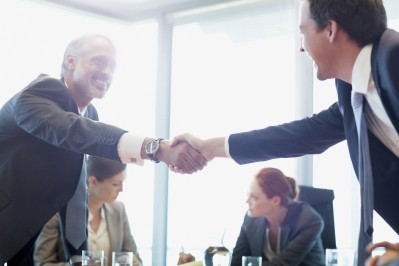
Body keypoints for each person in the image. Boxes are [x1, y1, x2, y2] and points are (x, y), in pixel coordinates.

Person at [171, 0, 399, 265]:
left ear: (330, 29)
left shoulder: (394, 59)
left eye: (303, 31)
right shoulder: (353, 90)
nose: (301, 46)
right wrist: (209, 148)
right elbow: (300, 135)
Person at [0, 34, 207, 265]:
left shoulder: (89, 114)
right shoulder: (38, 93)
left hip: (23, 240)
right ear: (70, 62)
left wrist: (80, 258)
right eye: (98, 61)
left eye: (113, 66)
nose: (107, 72)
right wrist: (156, 148)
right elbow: (75, 131)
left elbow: (76, 189)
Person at [33, 156, 143, 266]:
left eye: (123, 182)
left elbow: (134, 254)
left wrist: (134, 261)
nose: (121, 189)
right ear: (93, 182)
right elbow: (41, 262)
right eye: (115, 184)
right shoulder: (59, 214)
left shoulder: (119, 210)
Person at [230, 167, 324, 266]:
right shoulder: (251, 218)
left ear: (275, 201)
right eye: (248, 195)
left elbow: (282, 264)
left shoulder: (308, 221)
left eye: (254, 197)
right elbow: (237, 262)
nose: (247, 201)